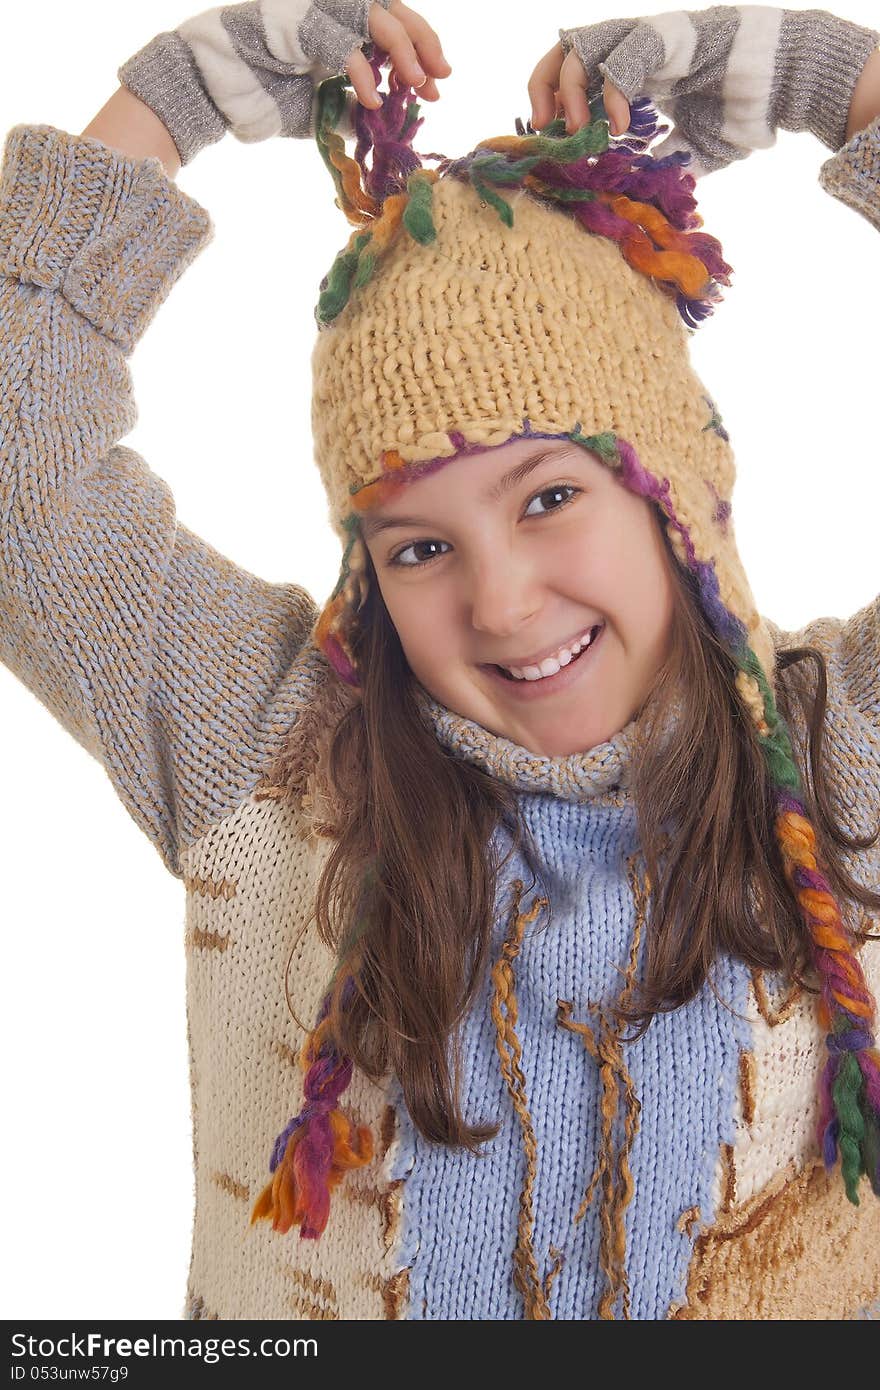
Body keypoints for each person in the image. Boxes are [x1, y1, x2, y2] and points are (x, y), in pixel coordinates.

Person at [1, 0, 879, 1321]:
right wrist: (174, 100)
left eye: (548, 499)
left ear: (675, 494)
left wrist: (830, 75)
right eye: (417, 548)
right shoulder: (274, 748)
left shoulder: (838, 758)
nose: (504, 604)